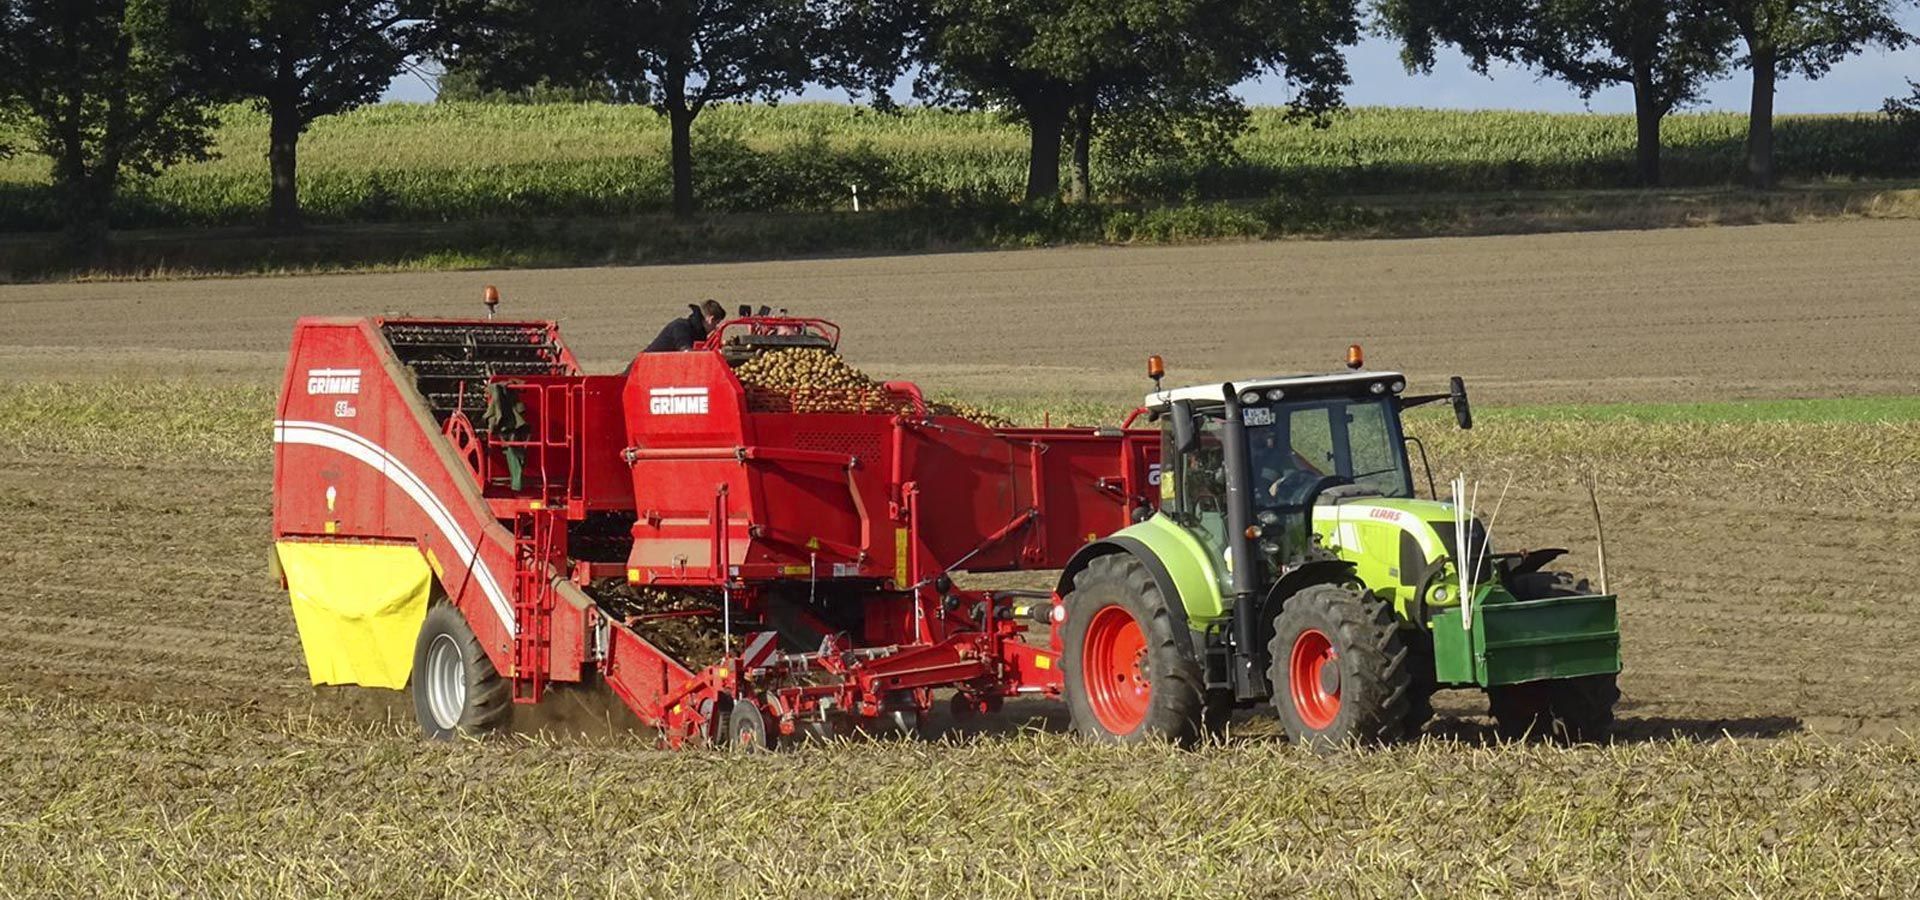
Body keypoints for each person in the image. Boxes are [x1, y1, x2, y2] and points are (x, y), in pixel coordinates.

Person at [644, 299, 726, 353]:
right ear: (710, 319)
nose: (715, 327)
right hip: (644, 368)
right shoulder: (681, 327)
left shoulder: (698, 334)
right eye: (716, 323)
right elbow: (687, 354)